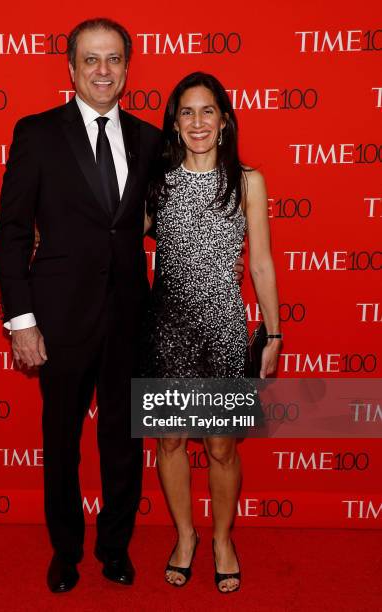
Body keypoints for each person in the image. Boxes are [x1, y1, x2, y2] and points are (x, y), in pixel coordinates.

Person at [0, 19, 244, 593]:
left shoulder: (149, 139)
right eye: (91, 60)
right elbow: (11, 233)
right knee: (60, 441)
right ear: (72, 68)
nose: (103, 70)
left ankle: (114, 548)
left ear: (128, 68)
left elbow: (181, 215)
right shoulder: (36, 133)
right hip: (57, 320)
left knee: (124, 444)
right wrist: (21, 320)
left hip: (135, 320)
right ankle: (65, 550)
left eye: (113, 60)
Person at [143, 72, 281, 593]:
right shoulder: (156, 180)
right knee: (171, 441)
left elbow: (262, 264)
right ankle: (185, 536)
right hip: (167, 330)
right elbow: (112, 232)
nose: (197, 122)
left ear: (224, 120)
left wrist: (273, 334)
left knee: (222, 447)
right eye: (186, 112)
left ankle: (222, 538)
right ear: (174, 123)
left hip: (224, 330)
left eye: (207, 112)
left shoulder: (248, 180)